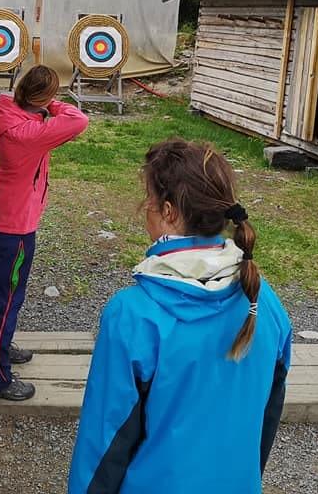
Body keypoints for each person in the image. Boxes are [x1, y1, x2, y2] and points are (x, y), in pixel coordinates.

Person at [68, 139, 292, 493]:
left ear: (169, 211)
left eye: (150, 202)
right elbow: (266, 420)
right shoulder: (264, 303)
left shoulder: (133, 315)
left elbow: (104, 443)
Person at [0, 65, 89, 401]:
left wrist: (40, 101)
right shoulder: (31, 132)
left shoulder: (9, 110)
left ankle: (1, 347)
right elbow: (78, 120)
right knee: (8, 299)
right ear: (42, 97)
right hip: (16, 228)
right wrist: (52, 104)